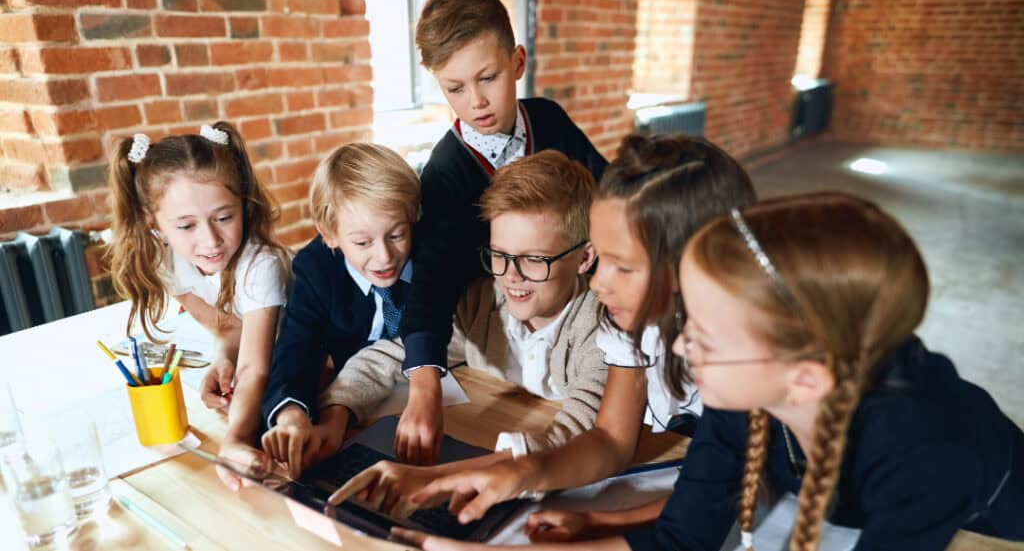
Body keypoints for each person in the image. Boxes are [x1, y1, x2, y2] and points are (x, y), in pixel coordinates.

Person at [394, 192, 1024, 551]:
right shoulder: (740, 386)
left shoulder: (928, 454)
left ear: (803, 378)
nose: (681, 349)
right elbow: (685, 539)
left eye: (706, 337)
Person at [330, 134, 757, 523]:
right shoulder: (625, 325)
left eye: (620, 265)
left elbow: (726, 490)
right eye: (500, 256)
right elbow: (612, 441)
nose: (600, 282)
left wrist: (459, 476)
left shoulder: (737, 351)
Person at [316, 151, 605, 513]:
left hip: (570, 497)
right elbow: (390, 354)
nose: (511, 276)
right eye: (500, 254)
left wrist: (444, 478)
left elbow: (576, 436)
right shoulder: (482, 303)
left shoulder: (602, 326)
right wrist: (338, 410)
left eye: (534, 259)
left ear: (584, 258)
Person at [395, 0, 607, 464]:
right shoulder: (447, 173)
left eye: (488, 77)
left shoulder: (550, 120)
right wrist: (425, 387)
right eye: (454, 88)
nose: (476, 102)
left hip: (575, 299)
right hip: (501, 331)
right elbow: (431, 283)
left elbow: (609, 193)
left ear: (517, 62)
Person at [107, 122, 290, 489]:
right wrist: (222, 358)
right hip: (271, 374)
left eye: (224, 218)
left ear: (244, 203)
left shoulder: (261, 264)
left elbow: (255, 367)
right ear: (153, 223)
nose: (211, 240)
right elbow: (227, 326)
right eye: (187, 226)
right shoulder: (165, 261)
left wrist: (234, 439)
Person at [257, 143, 420, 478]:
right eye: (362, 243)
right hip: (356, 415)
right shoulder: (316, 269)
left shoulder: (431, 256)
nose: (385, 257)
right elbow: (296, 348)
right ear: (329, 234)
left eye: (397, 235)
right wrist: (292, 416)